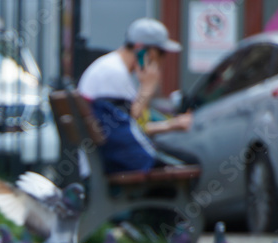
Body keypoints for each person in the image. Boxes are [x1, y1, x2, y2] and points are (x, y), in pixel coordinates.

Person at [77, 18, 195, 174]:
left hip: (103, 160)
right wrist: (147, 88)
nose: (162, 61)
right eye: (161, 53)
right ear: (144, 51)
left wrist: (170, 125)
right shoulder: (113, 73)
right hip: (108, 166)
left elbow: (127, 126)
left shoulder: (112, 67)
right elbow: (130, 129)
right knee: (186, 164)